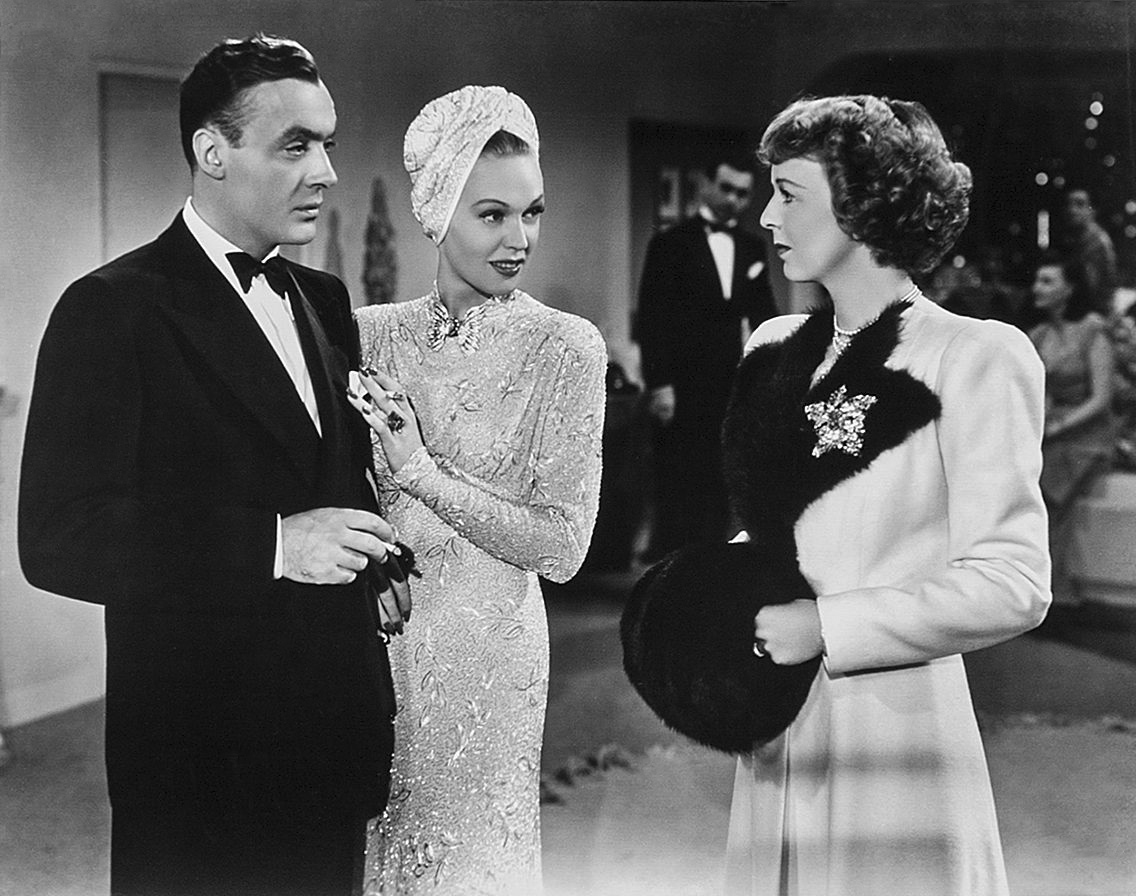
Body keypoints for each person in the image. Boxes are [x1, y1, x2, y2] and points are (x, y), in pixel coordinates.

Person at [18, 34, 409, 896]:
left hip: (328, 736)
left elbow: (324, 473)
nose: (325, 173)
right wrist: (274, 545)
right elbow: (58, 538)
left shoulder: (324, 299)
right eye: (295, 146)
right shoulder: (109, 308)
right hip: (200, 763)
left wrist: (370, 558)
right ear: (212, 151)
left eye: (328, 144)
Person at [722, 95, 1051, 895]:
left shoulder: (974, 355)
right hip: (774, 715)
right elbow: (772, 527)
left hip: (894, 722)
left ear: (863, 202)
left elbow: (1015, 580)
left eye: (789, 193)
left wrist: (827, 626)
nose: (767, 216)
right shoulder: (771, 348)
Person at [346, 85, 606, 894]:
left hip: (492, 656)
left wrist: (422, 471)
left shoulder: (566, 348)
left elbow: (563, 548)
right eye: (492, 215)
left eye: (532, 213)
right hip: (377, 646)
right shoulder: (365, 335)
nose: (518, 239)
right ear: (436, 213)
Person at [635, 149, 777, 560]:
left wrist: (772, 373)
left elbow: (764, 315)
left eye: (743, 194)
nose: (734, 200)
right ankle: (669, 566)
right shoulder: (670, 243)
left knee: (720, 476)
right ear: (707, 186)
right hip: (680, 384)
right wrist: (660, 384)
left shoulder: (751, 248)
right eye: (727, 189)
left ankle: (710, 567)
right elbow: (652, 318)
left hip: (728, 381)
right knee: (678, 478)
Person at [1027, 253, 1116, 605]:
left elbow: (1101, 399)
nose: (1037, 288)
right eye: (1037, 280)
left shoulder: (1093, 330)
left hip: (1088, 434)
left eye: (1047, 281)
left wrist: (1056, 428)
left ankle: (1052, 591)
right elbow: (1040, 393)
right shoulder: (1039, 335)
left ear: (1070, 288)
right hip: (1052, 430)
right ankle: (1046, 588)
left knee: (1047, 492)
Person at [1060, 187, 1118, 316]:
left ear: (1093, 210)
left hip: (1094, 316)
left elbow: (1094, 291)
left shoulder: (1096, 242)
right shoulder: (1075, 239)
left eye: (1080, 204)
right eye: (1068, 204)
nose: (1072, 210)